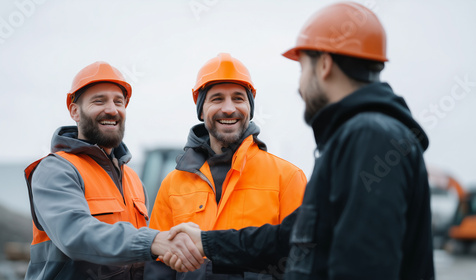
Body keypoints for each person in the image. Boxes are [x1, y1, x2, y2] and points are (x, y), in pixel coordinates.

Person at [165, 3, 435, 280]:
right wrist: (208, 242)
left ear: (325, 65)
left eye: (303, 68)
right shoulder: (360, 136)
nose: (300, 85)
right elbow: (290, 237)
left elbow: (364, 266)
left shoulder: (369, 137)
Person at [24, 61, 203, 279]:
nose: (112, 109)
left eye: (119, 102)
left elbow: (141, 256)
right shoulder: (56, 169)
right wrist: (154, 241)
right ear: (74, 111)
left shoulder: (133, 179)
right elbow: (75, 234)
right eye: (99, 101)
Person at [144, 53, 307, 279]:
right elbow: (158, 266)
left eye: (239, 98)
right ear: (201, 110)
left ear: (250, 108)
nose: (229, 109)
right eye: (217, 98)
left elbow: (301, 257)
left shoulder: (288, 178)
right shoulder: (172, 185)